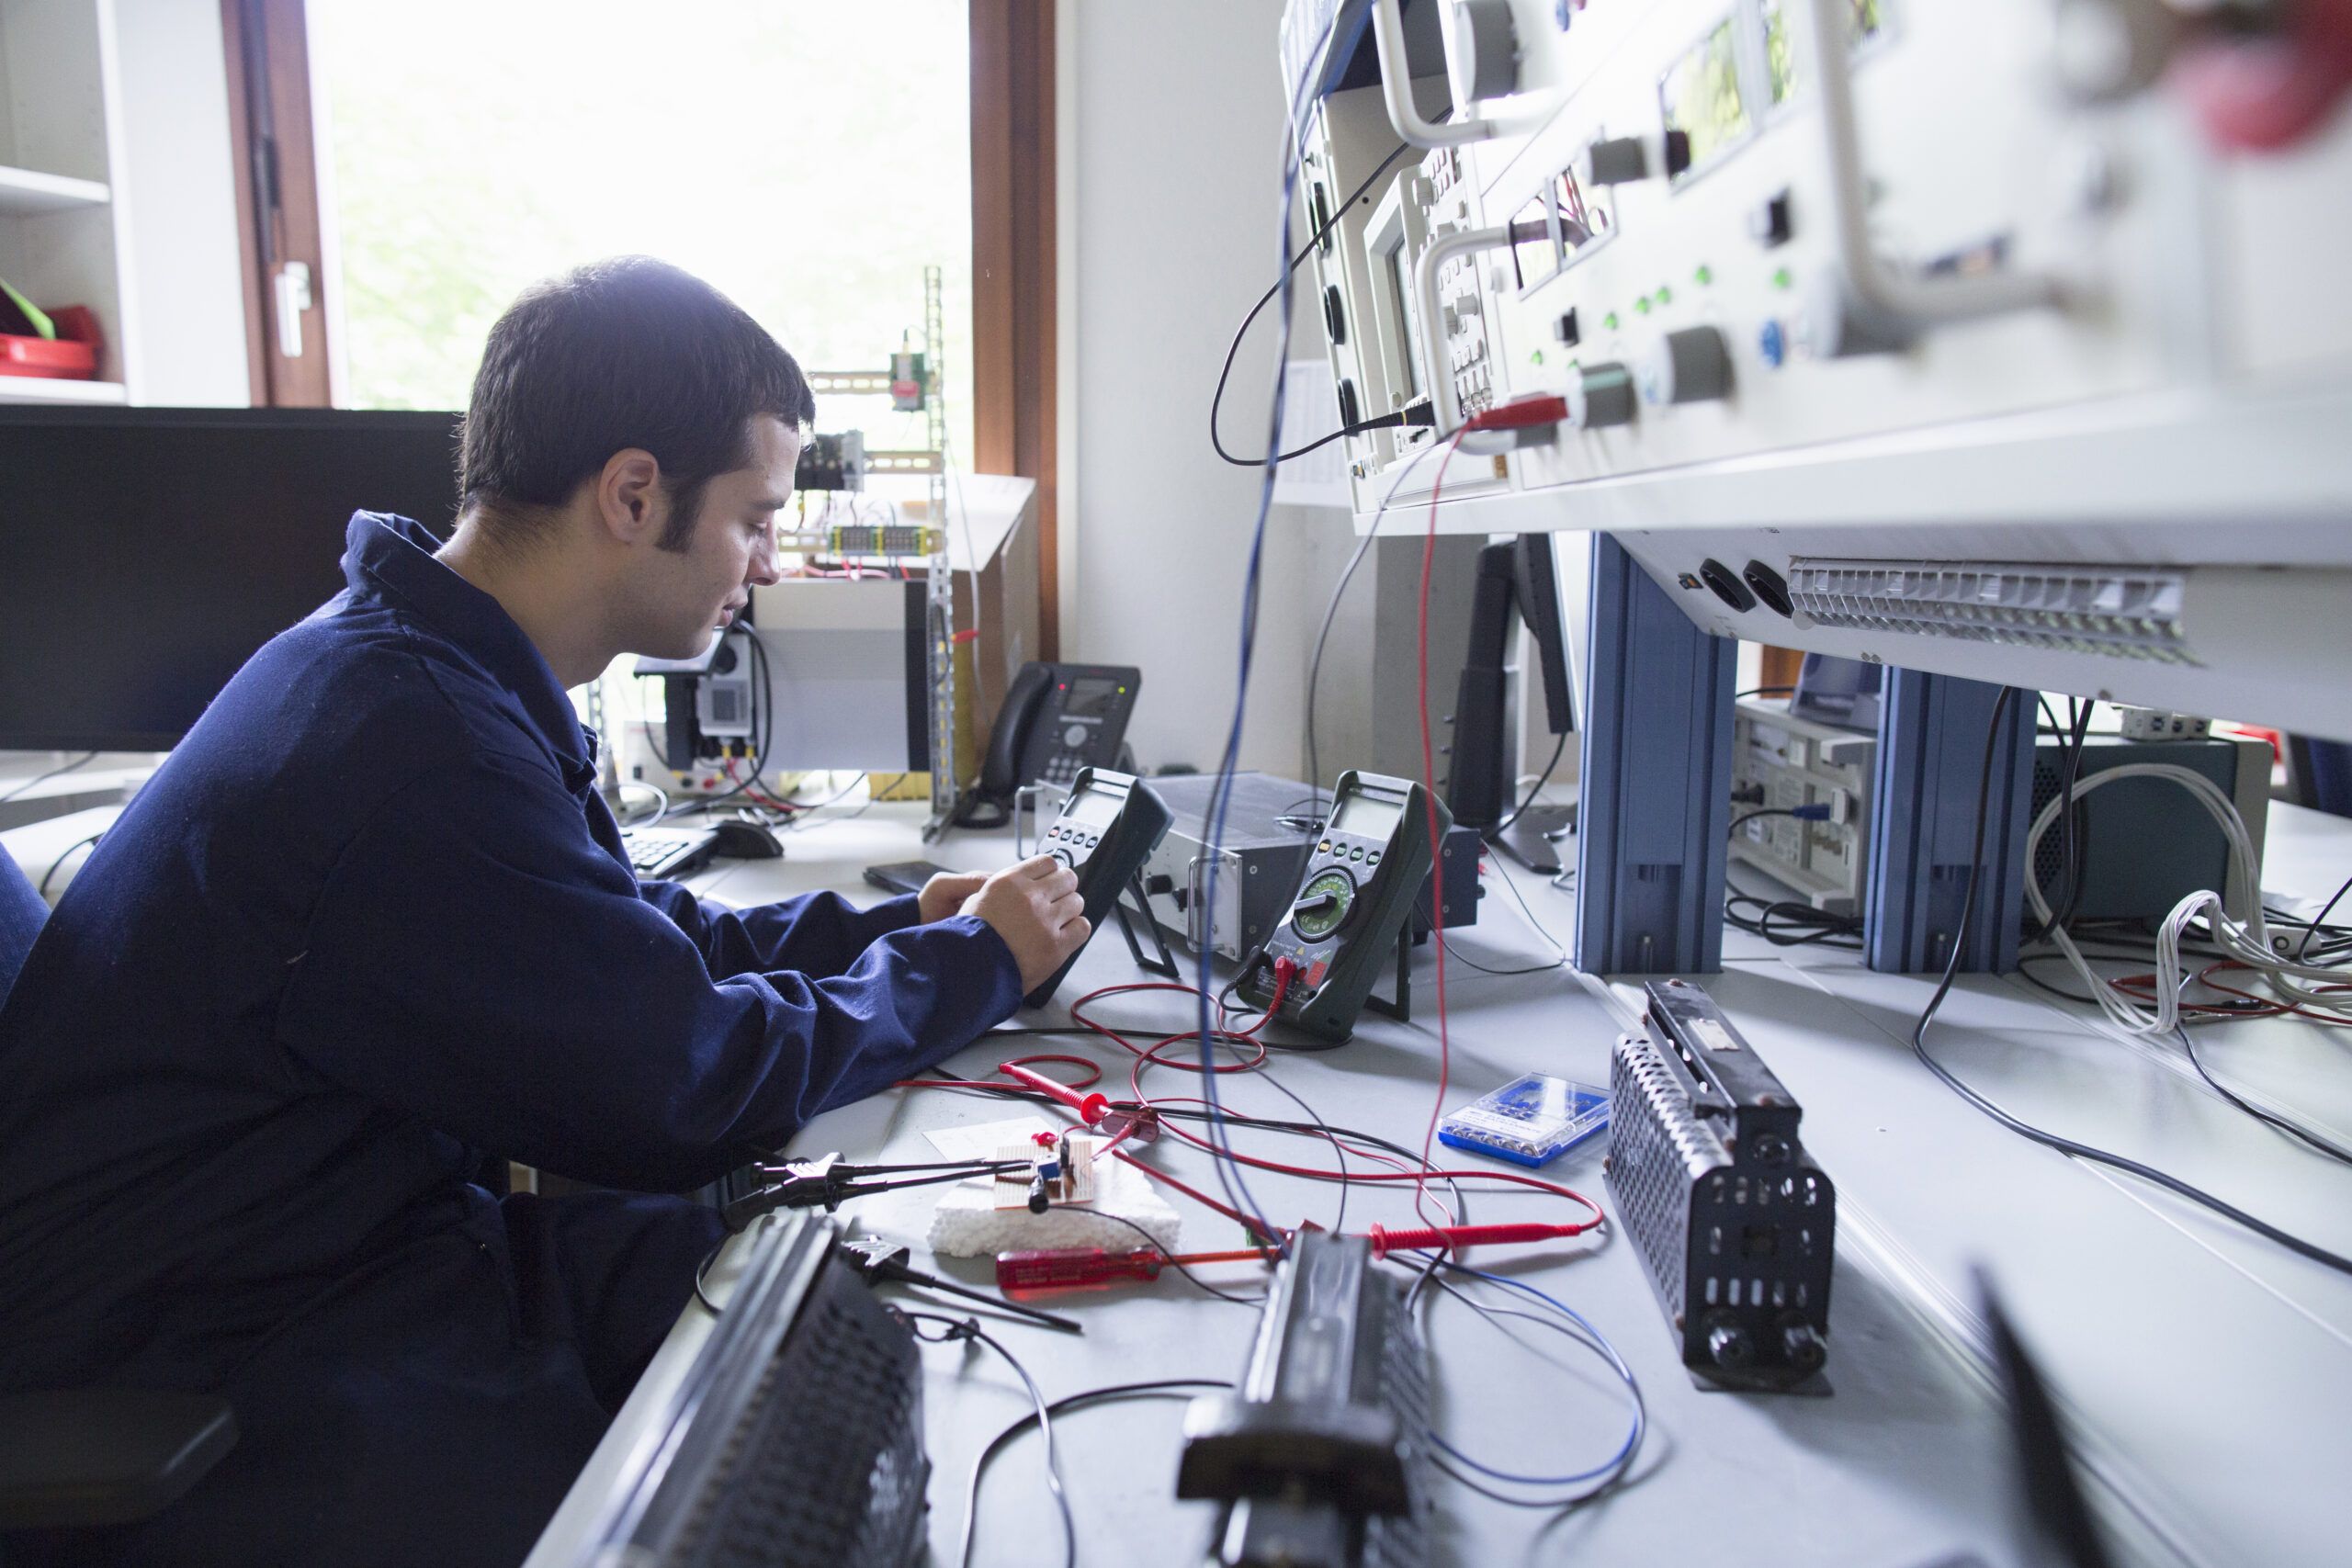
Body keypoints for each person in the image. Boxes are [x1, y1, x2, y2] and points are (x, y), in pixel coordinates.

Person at [0, 256, 1089, 1566]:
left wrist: (901, 927)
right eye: (754, 517)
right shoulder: (411, 747)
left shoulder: (425, 666)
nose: (765, 561)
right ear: (635, 494)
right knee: (803, 1397)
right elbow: (684, 1086)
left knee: (809, 1287)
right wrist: (970, 966)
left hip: (332, 1251)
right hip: (206, 1355)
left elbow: (634, 945)